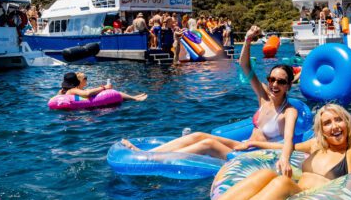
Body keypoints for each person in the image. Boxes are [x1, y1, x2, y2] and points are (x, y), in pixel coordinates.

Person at [162, 44, 351, 200]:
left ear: (347, 123)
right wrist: (255, 145)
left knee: (282, 182)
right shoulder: (316, 146)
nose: (334, 126)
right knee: (264, 175)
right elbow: (286, 145)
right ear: (321, 130)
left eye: (338, 120)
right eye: (327, 123)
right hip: (294, 194)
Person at [122, 25, 298, 166]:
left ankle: (152, 161)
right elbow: (245, 66)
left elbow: (288, 141)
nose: (275, 84)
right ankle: (147, 153)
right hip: (244, 146)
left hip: (257, 157)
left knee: (208, 144)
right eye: (272, 79)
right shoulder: (264, 97)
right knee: (198, 135)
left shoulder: (288, 112)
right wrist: (248, 39)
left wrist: (274, 154)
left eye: (281, 82)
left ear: (289, 85)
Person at [56, 72, 148, 101]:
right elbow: (87, 93)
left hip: (76, 111)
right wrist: (104, 88)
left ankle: (134, 97)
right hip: (83, 112)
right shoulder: (72, 90)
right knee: (113, 93)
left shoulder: (63, 91)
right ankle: (135, 98)